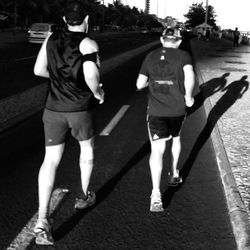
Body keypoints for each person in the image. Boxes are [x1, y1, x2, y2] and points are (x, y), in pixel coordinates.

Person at [33, 0, 104, 245]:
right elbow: (91, 73)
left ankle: (42, 219)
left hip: (53, 109)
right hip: (79, 109)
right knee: (86, 151)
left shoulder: (50, 39)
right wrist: (96, 92)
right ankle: (84, 196)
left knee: (50, 160)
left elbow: (39, 70)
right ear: (87, 20)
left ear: (65, 20)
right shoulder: (88, 42)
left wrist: (59, 79)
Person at [136, 28, 195, 212]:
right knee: (176, 139)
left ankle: (155, 194)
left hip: (156, 111)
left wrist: (152, 81)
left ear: (162, 39)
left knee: (157, 150)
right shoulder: (183, 55)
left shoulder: (150, 56)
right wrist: (189, 96)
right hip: (177, 109)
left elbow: (139, 84)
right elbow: (190, 75)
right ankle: (174, 173)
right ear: (178, 41)